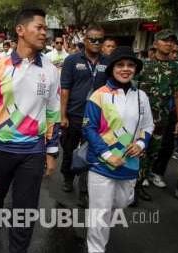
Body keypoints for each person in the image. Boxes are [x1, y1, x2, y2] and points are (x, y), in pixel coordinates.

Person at [0, 8, 60, 253]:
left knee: (25, 208)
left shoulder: (50, 69)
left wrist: (51, 151)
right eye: (39, 27)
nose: (44, 32)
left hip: (32, 153)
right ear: (20, 30)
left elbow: (53, 112)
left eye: (45, 28)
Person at [83, 46, 154, 253]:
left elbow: (148, 125)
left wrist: (141, 143)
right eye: (120, 65)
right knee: (101, 210)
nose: (125, 69)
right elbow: (90, 129)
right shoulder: (99, 95)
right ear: (112, 68)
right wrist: (106, 155)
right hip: (101, 163)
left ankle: (100, 222)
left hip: (129, 163)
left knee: (121, 202)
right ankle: (96, 250)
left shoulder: (141, 96)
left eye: (130, 65)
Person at [60, 25, 108, 208]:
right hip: (74, 115)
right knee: (70, 150)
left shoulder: (108, 62)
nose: (96, 43)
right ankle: (67, 176)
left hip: (96, 118)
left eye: (100, 40)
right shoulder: (72, 60)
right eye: (93, 39)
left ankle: (84, 191)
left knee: (90, 154)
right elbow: (65, 89)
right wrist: (63, 115)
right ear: (85, 41)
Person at [134, 30, 178, 203]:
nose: (169, 44)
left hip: (161, 119)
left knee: (152, 154)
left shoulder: (175, 68)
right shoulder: (142, 65)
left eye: (171, 41)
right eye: (165, 41)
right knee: (136, 151)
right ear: (155, 44)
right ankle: (129, 186)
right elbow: (131, 91)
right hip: (139, 120)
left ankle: (139, 185)